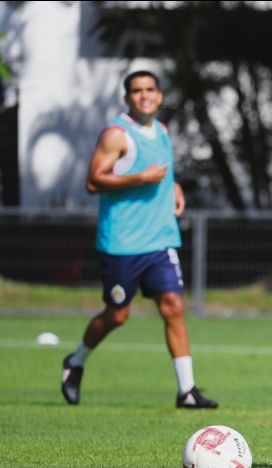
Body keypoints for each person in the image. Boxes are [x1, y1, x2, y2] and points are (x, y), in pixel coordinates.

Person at [60, 71, 217, 410]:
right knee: (117, 315)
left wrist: (172, 187)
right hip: (123, 242)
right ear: (127, 98)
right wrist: (139, 178)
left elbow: (163, 172)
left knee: (173, 307)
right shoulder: (117, 135)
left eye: (150, 90)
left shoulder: (161, 130)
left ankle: (186, 391)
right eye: (136, 91)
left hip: (160, 239)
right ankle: (75, 361)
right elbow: (93, 181)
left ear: (160, 96)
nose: (144, 96)